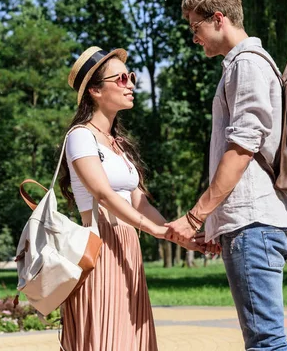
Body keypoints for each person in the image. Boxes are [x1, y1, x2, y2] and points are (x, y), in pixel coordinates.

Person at [166, 0, 287, 351]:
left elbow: (243, 147)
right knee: (265, 339)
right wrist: (217, 224)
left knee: (266, 342)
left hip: (253, 223)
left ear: (218, 19)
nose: (193, 38)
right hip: (251, 222)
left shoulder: (246, 64)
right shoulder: (247, 64)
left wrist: (197, 216)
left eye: (195, 27)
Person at [59, 46, 208, 351]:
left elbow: (140, 202)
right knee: (106, 335)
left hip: (128, 247)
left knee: (128, 337)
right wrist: (152, 231)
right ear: (96, 91)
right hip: (100, 247)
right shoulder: (79, 136)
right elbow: (102, 193)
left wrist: (179, 235)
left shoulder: (120, 145)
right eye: (122, 78)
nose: (131, 84)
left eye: (132, 77)